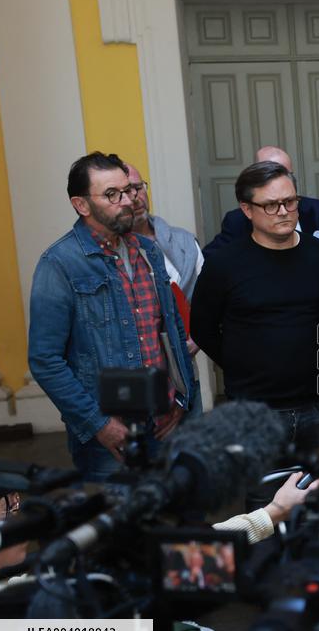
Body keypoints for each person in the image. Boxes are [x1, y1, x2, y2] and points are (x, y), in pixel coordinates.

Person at [29, 152, 196, 482]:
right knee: (121, 528)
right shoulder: (59, 263)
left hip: (165, 422)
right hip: (108, 435)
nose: (128, 201)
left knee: (170, 522)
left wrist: (181, 396)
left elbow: (173, 329)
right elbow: (45, 359)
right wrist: (98, 425)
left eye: (130, 190)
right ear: (81, 205)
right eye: (112, 194)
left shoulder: (148, 252)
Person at [191, 161, 319, 458]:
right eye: (271, 205)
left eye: (290, 202)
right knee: (263, 500)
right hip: (253, 410)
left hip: (318, 405)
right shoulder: (223, 264)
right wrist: (241, 363)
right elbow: (202, 328)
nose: (283, 211)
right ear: (247, 210)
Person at [202, 145, 319, 256]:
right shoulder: (237, 220)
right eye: (269, 173)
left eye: (284, 173)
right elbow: (211, 259)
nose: (283, 212)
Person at [126, 163, 204, 301]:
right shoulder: (114, 250)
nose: (135, 198)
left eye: (138, 188)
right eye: (126, 191)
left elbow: (206, 294)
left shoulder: (185, 241)